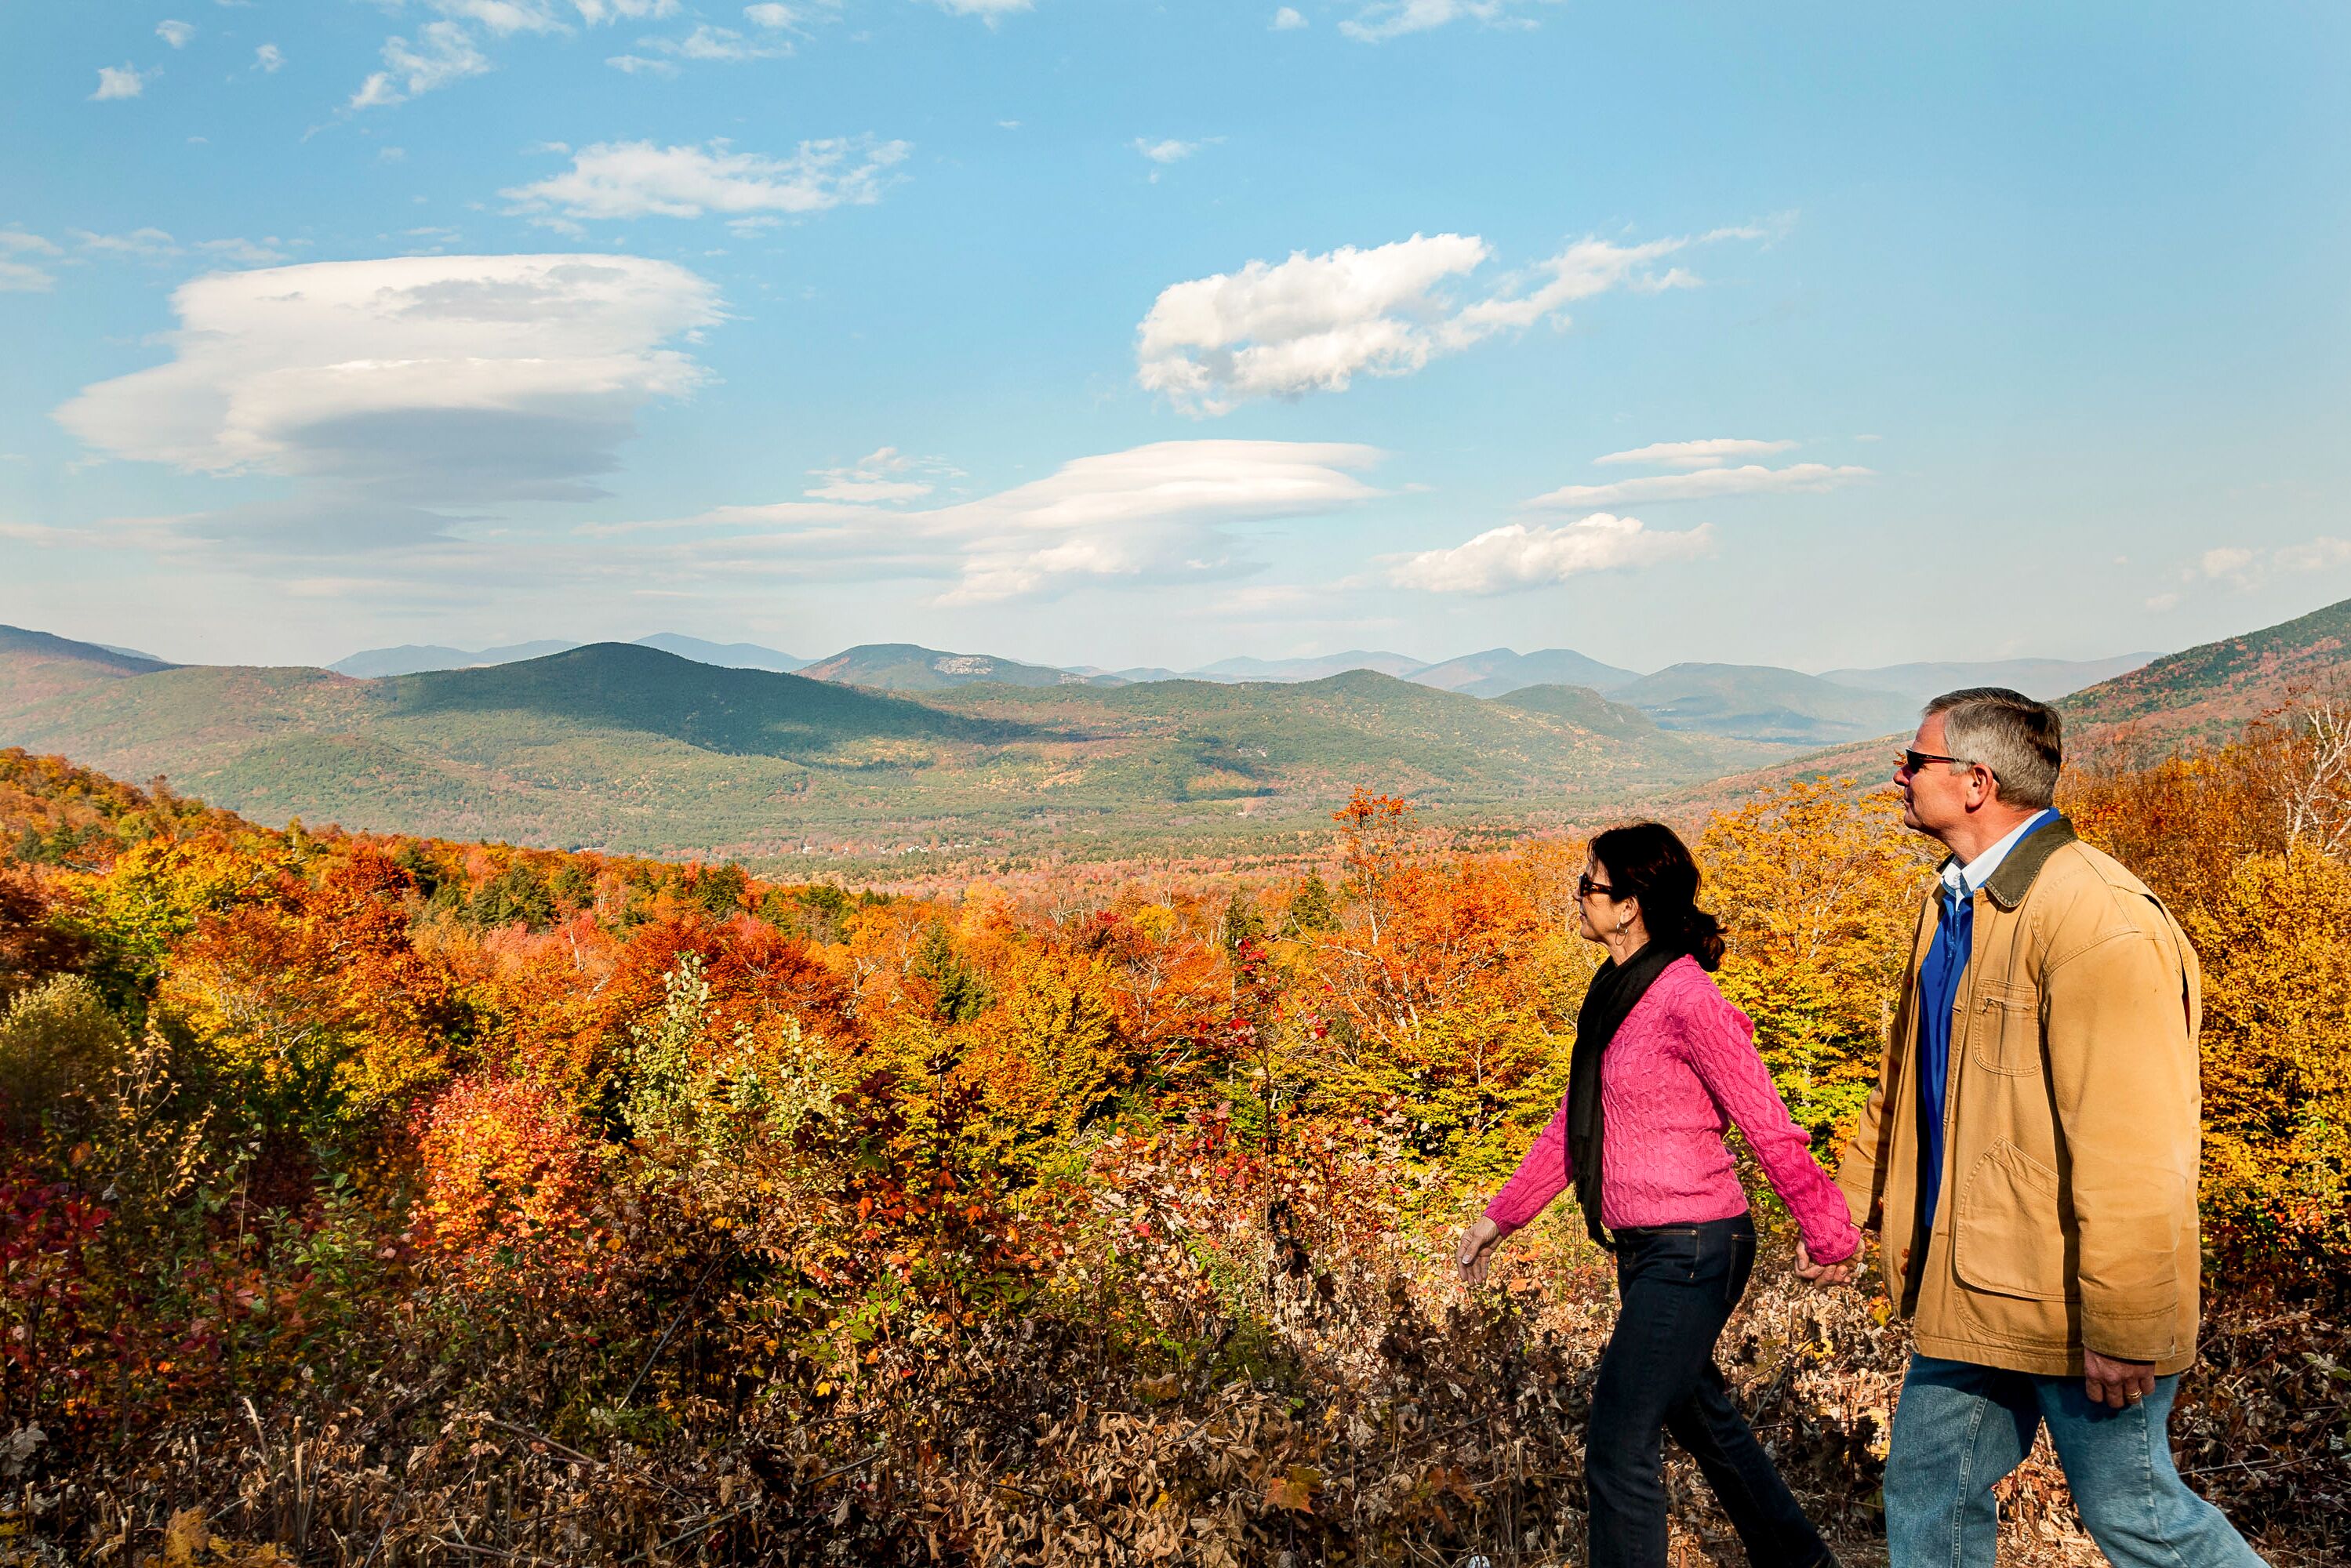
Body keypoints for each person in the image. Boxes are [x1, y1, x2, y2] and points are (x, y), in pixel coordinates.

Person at [1807, 687, 2266, 1567]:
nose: (1897, 773)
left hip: (2069, 1296)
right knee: (1926, 1491)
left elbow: (2135, 1140)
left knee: (2136, 1513)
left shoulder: (2095, 916)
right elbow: (1908, 1076)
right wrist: (1845, 1201)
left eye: (1915, 760)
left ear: (1975, 781)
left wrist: (2125, 1321)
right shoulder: (1953, 903)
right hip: (1972, 1282)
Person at [1458, 821, 1859, 1568]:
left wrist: (1828, 1227)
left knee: (1619, 1435)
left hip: (1696, 1245)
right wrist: (1499, 1219)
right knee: (1701, 1414)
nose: (1579, 897)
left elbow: (1765, 1120)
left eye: (1590, 884)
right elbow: (1576, 1127)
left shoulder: (1685, 996)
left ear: (1630, 903)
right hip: (1650, 1247)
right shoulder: (1617, 992)